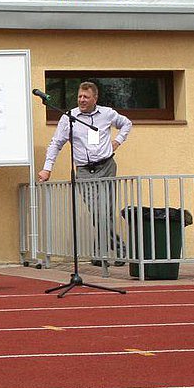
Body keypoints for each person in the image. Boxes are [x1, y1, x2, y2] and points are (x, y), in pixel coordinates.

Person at [38, 81, 133, 266]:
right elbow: (56, 143)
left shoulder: (107, 113)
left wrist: (118, 141)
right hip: (84, 171)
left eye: (86, 97)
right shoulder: (69, 117)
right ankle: (120, 248)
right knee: (97, 211)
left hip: (106, 167)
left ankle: (99, 253)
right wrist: (47, 168)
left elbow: (126, 123)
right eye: (80, 96)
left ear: (94, 98)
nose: (82, 100)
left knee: (106, 211)